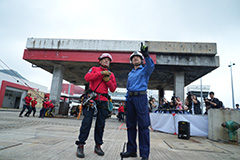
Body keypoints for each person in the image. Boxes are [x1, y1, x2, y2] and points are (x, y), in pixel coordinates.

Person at [75, 53, 117, 158]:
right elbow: (87, 77)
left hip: (103, 101)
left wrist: (107, 81)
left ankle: (98, 146)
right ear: (100, 61)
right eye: (104, 59)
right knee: (86, 123)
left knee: (100, 124)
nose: (106, 61)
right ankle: (80, 145)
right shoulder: (94, 69)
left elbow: (113, 89)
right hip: (91, 100)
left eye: (108, 60)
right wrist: (101, 73)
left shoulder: (111, 74)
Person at [120, 43, 155, 160]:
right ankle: (131, 150)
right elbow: (128, 88)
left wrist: (146, 54)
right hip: (130, 99)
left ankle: (144, 154)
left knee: (143, 126)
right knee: (130, 125)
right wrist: (126, 101)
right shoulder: (130, 74)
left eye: (138, 57)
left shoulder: (145, 70)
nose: (135, 58)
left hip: (141, 98)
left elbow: (151, 66)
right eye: (133, 57)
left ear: (141, 60)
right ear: (131, 61)